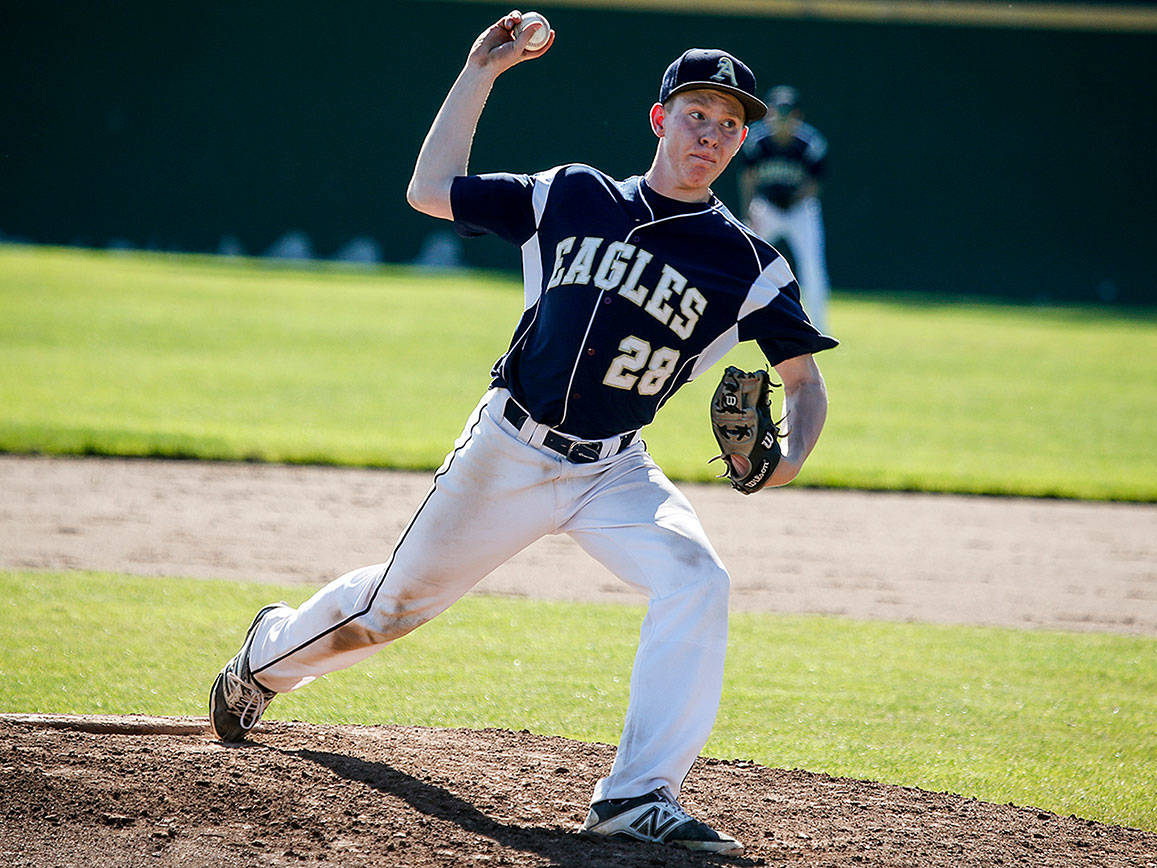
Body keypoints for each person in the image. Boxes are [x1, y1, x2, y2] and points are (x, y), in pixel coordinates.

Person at [208, 11, 837, 857]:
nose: (714, 134)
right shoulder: (573, 194)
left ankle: (638, 794)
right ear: (660, 120)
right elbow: (430, 191)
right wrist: (483, 74)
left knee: (697, 580)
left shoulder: (748, 263)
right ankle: (265, 657)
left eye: (731, 124)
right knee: (388, 610)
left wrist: (790, 456)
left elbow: (804, 380)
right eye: (698, 114)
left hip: (617, 473)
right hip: (510, 448)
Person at [738, 85, 832, 330]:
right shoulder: (757, 140)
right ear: (768, 114)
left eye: (787, 114)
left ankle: (819, 326)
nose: (781, 119)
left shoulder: (810, 142)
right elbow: (748, 178)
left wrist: (795, 200)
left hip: (801, 209)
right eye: (777, 113)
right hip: (766, 207)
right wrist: (748, 210)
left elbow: (815, 182)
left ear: (797, 116)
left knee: (812, 266)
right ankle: (735, 315)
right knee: (744, 258)